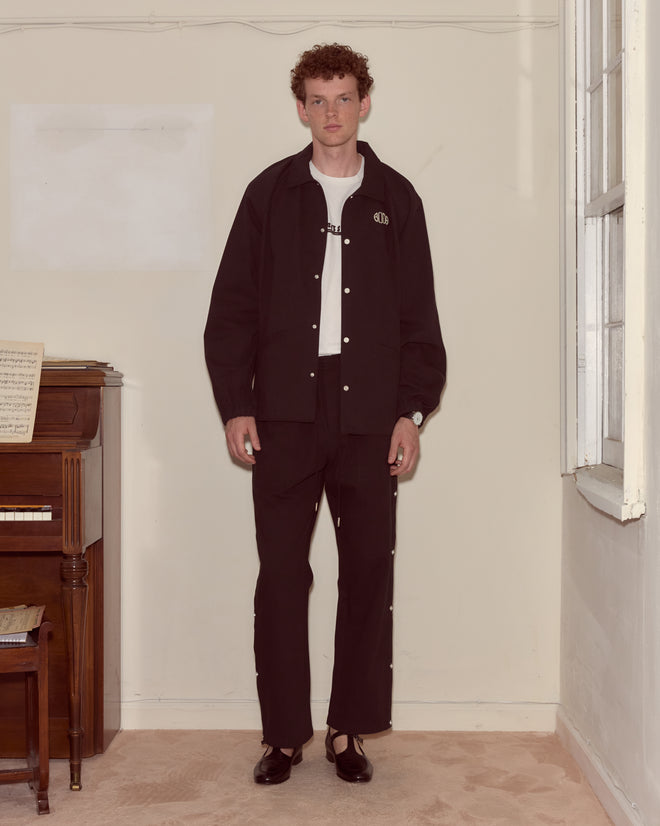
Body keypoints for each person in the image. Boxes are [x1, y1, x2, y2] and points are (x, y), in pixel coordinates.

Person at [204, 42, 446, 785]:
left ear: (363, 102)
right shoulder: (269, 194)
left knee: (369, 570)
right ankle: (283, 735)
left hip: (370, 415)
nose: (331, 112)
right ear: (300, 107)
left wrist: (412, 412)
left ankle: (347, 730)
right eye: (317, 99)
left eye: (344, 98)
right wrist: (237, 406)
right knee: (282, 575)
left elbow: (419, 321)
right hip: (283, 412)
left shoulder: (396, 199)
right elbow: (232, 313)